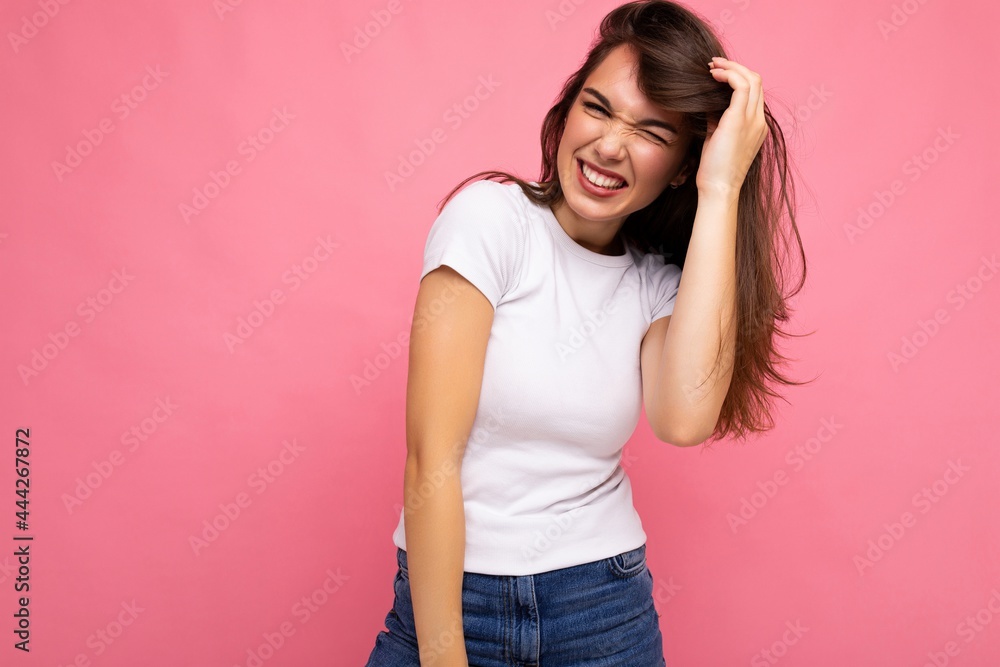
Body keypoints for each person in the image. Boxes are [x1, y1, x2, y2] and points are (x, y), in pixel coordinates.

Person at [365, 1, 808, 664]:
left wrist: (721, 190)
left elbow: (683, 420)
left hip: (601, 609)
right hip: (449, 603)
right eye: (597, 108)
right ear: (568, 111)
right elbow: (433, 460)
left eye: (653, 132)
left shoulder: (658, 280)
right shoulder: (491, 221)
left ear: (685, 162)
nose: (608, 146)